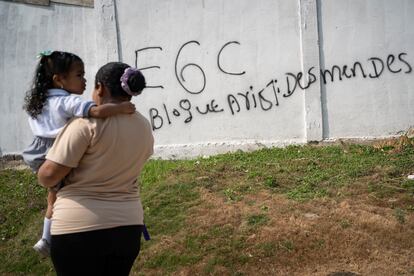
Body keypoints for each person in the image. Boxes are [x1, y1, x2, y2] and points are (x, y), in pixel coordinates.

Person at [37, 61, 154, 275]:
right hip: (128, 227)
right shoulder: (144, 125)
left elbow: (48, 176)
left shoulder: (84, 125)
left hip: (78, 230)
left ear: (100, 88)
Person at [22, 51, 136, 257]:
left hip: (37, 150)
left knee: (53, 196)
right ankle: (47, 239)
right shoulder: (68, 102)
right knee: (56, 196)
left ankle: (45, 238)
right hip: (55, 150)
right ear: (59, 79)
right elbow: (98, 112)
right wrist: (122, 107)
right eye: (80, 75)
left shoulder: (38, 103)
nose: (85, 81)